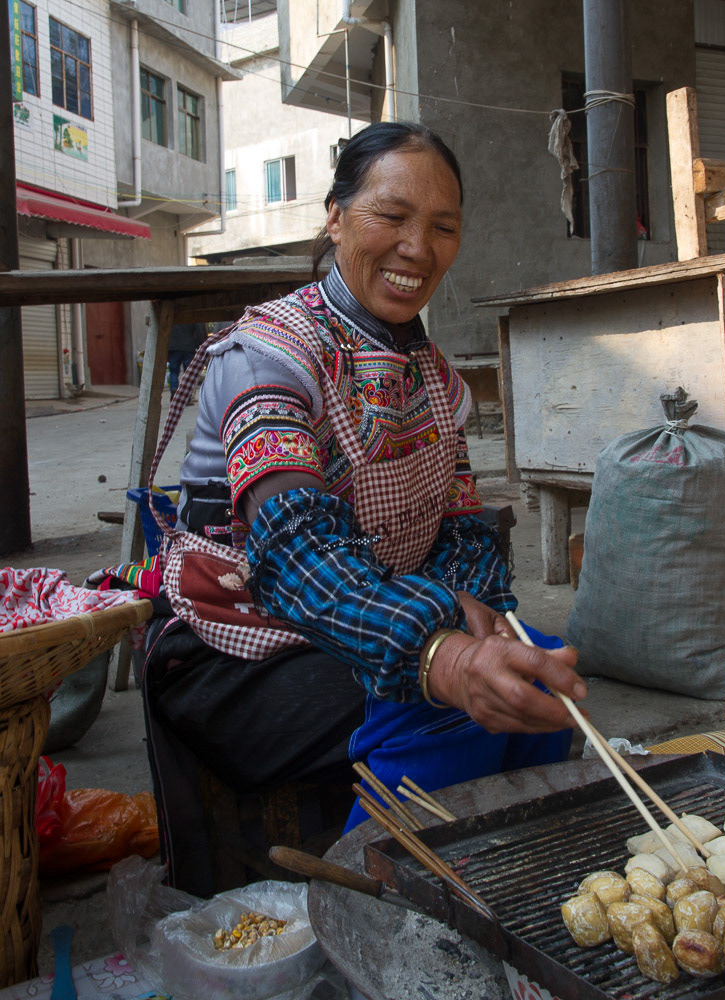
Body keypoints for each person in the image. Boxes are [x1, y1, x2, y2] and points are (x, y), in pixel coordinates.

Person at [143, 121, 586, 894]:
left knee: (533, 675)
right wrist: (439, 652)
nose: (418, 246)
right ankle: (358, 910)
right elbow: (296, 552)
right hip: (233, 655)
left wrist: (464, 607)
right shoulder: (266, 356)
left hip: (353, 638)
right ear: (336, 216)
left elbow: (463, 529)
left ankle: (504, 882)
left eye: (443, 227)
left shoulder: (434, 379)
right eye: (392, 215)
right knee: (449, 707)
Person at [167, 322, 206, 398]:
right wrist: (201, 345)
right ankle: (186, 396)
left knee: (174, 371)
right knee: (188, 373)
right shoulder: (190, 313)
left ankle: (174, 388)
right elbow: (199, 331)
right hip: (189, 347)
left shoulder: (173, 313)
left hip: (174, 347)